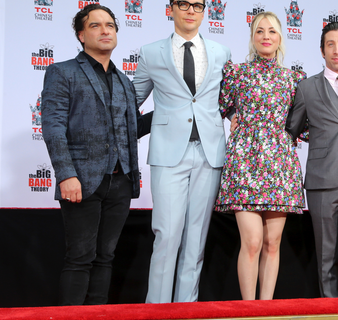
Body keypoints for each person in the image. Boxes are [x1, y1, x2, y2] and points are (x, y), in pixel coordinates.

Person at [41, 4, 151, 305]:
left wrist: (170, 112)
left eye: (110, 26)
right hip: (81, 181)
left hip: (121, 182)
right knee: (80, 258)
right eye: (95, 25)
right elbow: (52, 128)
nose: (105, 31)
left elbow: (130, 130)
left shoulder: (124, 82)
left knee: (105, 258)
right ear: (81, 34)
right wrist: (66, 174)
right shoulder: (61, 72)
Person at [132, 0, 232, 303]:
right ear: (171, 9)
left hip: (210, 152)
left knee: (196, 241)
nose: (191, 10)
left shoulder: (221, 52)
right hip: (167, 154)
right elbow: (131, 99)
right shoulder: (151, 52)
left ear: (204, 12)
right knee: (167, 236)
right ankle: (157, 310)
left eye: (198, 5)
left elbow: (228, 101)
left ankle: (186, 309)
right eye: (184, 4)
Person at [214, 11, 306, 300]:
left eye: (272, 32)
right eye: (260, 31)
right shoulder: (236, 73)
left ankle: (266, 310)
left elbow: (301, 124)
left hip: (280, 163)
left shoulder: (294, 78)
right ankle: (248, 310)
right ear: (253, 38)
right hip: (245, 162)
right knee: (252, 242)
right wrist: (231, 116)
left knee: (272, 243)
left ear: (280, 38)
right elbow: (217, 107)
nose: (266, 36)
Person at [286, 22, 338, 300]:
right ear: (322, 51)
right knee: (326, 251)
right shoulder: (306, 87)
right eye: (330, 44)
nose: (337, 50)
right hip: (322, 180)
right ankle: (331, 307)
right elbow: (292, 130)